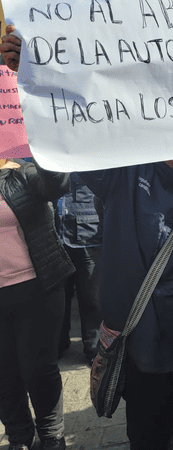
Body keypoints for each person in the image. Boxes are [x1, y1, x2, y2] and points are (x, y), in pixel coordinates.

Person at [0, 26, 173, 450]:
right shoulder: (123, 169)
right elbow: (73, 134)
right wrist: (33, 74)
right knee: (149, 437)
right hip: (141, 339)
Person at [0, 158, 75, 450]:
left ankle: (51, 435)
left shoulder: (23, 173)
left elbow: (57, 185)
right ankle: (19, 436)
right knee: (4, 373)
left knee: (37, 369)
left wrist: (47, 153)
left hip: (37, 288)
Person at [56, 173, 103, 362]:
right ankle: (58, 343)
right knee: (58, 295)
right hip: (56, 230)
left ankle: (94, 348)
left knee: (92, 296)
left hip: (88, 230)